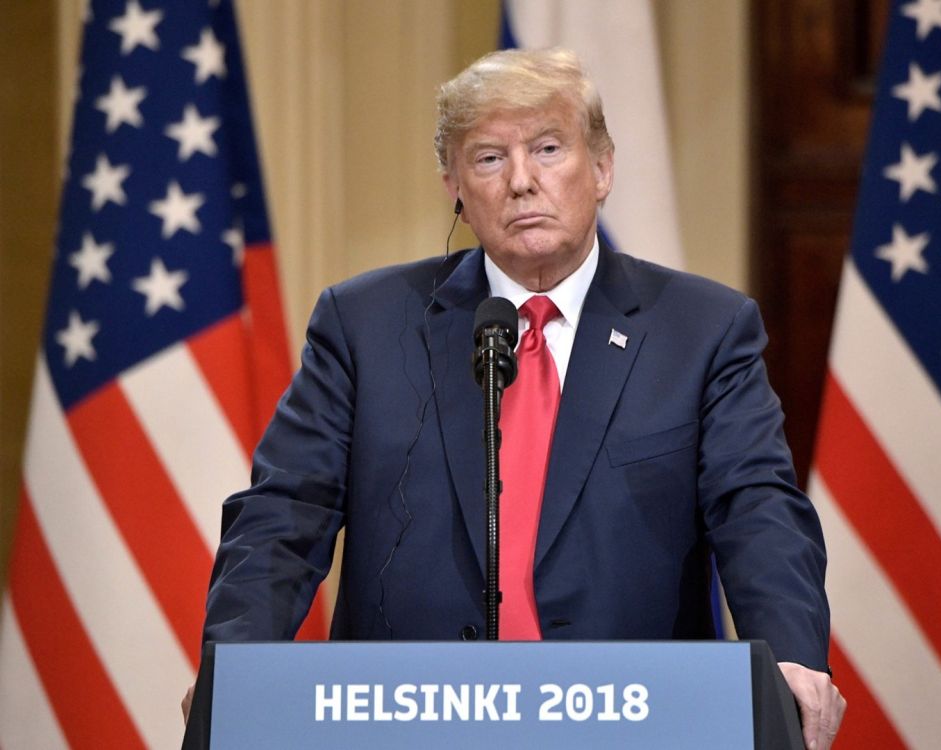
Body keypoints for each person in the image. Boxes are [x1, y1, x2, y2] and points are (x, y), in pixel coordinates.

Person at [191, 48, 845, 748]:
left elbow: (757, 508)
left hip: (630, 720)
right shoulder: (365, 325)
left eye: (548, 148)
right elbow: (285, 511)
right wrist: (236, 664)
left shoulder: (702, 329)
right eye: (489, 158)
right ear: (455, 187)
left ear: (603, 168)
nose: (522, 181)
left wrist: (791, 656)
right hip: (409, 722)